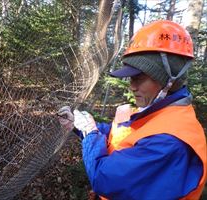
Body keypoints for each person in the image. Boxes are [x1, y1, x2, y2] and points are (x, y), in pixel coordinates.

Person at [58, 20, 206, 200]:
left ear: (168, 80)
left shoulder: (170, 143)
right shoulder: (158, 113)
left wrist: (90, 134)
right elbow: (120, 137)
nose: (132, 87)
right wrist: (79, 126)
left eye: (138, 78)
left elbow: (105, 178)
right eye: (130, 79)